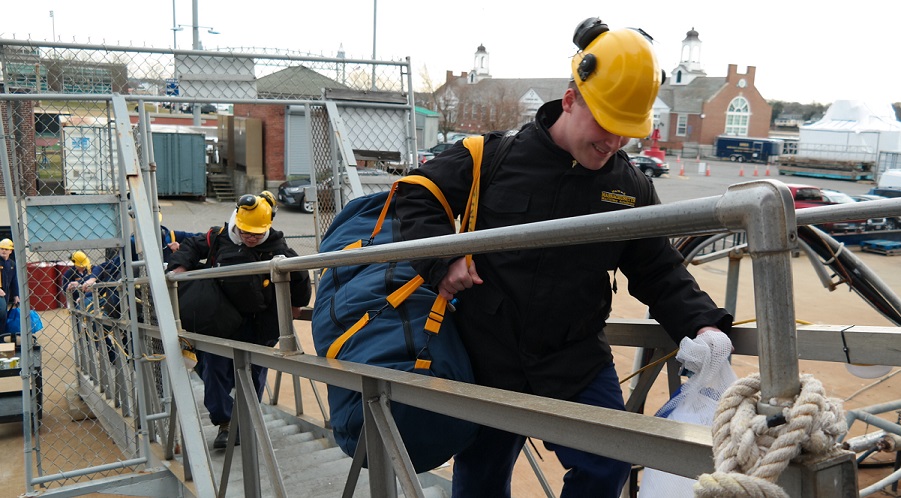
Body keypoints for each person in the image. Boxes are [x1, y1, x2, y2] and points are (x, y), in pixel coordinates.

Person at [394, 19, 733, 498]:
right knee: (480, 481)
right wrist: (443, 259)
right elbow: (416, 193)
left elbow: (658, 270)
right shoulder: (490, 158)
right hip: (489, 355)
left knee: (607, 465)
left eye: (626, 132)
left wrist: (702, 325)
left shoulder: (630, 188)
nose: (614, 142)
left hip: (574, 359)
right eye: (605, 123)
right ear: (570, 99)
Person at [168, 191, 312, 449]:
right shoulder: (220, 237)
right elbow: (191, 246)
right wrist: (179, 267)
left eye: (257, 233)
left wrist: (295, 305)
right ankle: (225, 423)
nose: (251, 238)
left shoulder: (278, 248)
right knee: (214, 369)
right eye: (246, 232)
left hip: (260, 323)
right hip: (220, 320)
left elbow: (300, 275)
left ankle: (245, 420)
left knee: (253, 373)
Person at [0, 238, 19, 335]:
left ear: (10, 251)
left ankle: (1, 336)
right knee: (1, 314)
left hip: (5, 293)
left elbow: (14, 281)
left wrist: (16, 295)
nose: (4, 251)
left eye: (6, 249)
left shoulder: (12, 264)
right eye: (2, 248)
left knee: (4, 315)